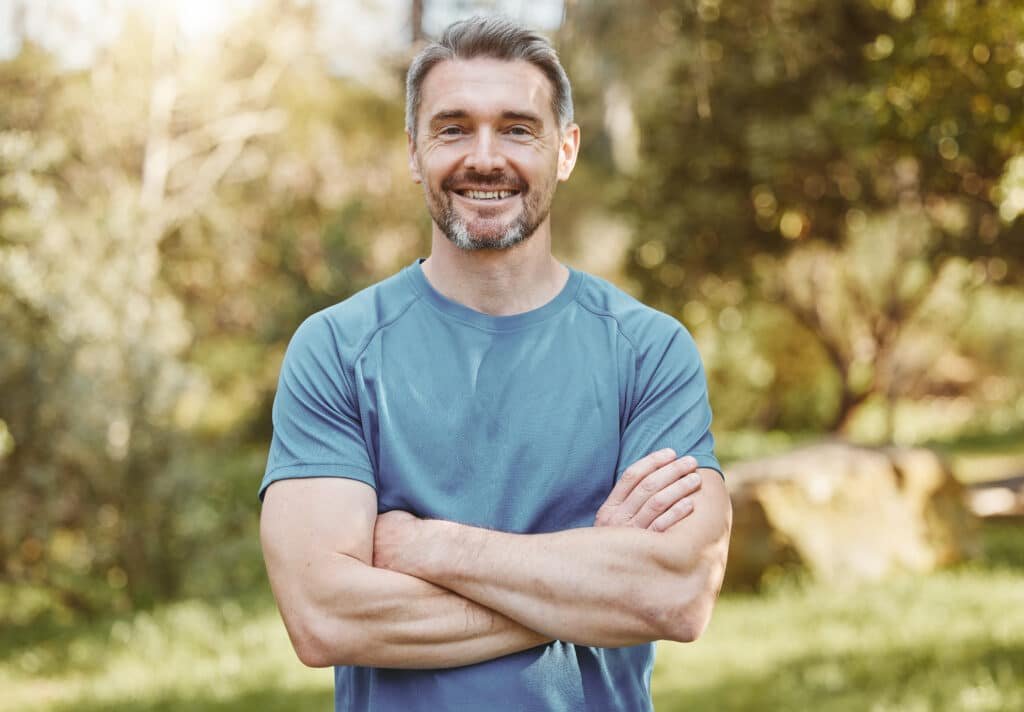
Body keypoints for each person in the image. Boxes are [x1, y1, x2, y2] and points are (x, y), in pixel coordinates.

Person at [258, 15, 731, 712]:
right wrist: (587, 578)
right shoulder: (336, 349)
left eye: (518, 129)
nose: (485, 157)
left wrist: (426, 548)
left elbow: (676, 594)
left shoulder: (649, 351)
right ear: (415, 152)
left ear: (564, 150)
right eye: (452, 129)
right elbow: (325, 617)